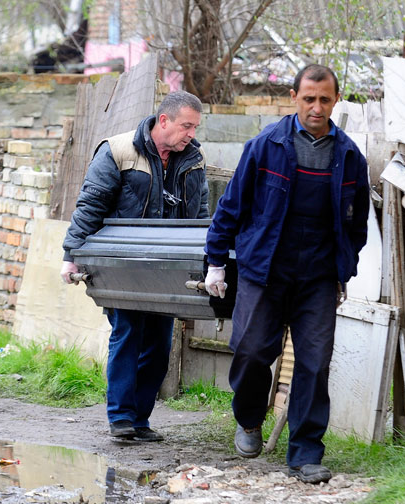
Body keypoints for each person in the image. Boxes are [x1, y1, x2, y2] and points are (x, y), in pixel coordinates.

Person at [203, 64, 369, 483]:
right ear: (294, 97)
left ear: (336, 100)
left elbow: (358, 223)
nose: (317, 107)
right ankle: (249, 419)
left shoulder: (349, 157)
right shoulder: (265, 146)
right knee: (251, 351)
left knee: (314, 363)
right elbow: (231, 207)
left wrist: (344, 268)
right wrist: (216, 262)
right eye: (309, 98)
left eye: (325, 99)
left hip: (318, 277)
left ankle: (306, 454)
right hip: (265, 270)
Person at [61, 90, 209, 442]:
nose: (191, 134)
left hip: (168, 267)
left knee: (159, 345)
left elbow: (201, 213)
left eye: (195, 127)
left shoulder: (194, 158)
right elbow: (91, 204)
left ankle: (140, 420)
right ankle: (121, 418)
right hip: (123, 263)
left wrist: (205, 260)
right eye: (186, 126)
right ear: (164, 120)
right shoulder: (118, 151)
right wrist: (71, 255)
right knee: (128, 334)